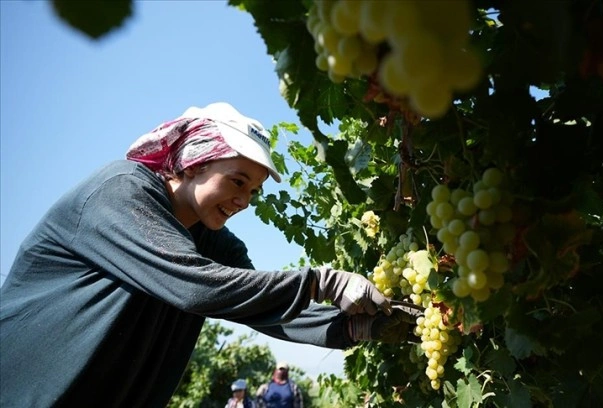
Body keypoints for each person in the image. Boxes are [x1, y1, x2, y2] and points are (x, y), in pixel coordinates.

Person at [0, 102, 418, 407]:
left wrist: (356, 329)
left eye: (253, 191)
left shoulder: (213, 240)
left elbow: (258, 307)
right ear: (196, 164)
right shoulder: (120, 193)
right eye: (237, 182)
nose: (245, 200)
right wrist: (324, 281)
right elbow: (198, 286)